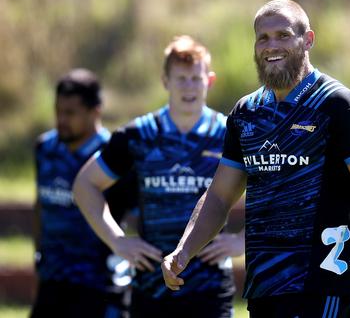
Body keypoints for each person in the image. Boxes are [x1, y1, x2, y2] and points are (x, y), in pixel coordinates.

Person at [161, 0, 350, 318]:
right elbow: (219, 196)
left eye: (283, 35)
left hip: (321, 286)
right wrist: (184, 249)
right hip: (263, 289)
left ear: (308, 40)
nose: (271, 45)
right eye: (263, 37)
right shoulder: (246, 113)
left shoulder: (341, 107)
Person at [73, 35, 243, 318]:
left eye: (195, 78)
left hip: (209, 288)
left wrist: (242, 241)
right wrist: (117, 241)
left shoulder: (231, 134)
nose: (189, 87)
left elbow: (276, 189)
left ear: (209, 81)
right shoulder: (140, 135)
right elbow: (84, 185)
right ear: (165, 81)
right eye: (180, 79)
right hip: (150, 287)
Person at [31, 69, 133, 317]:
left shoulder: (114, 157)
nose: (61, 120)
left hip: (97, 286)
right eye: (58, 111)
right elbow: (40, 205)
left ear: (95, 111)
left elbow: (136, 219)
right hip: (52, 279)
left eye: (70, 113)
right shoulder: (45, 148)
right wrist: (39, 251)